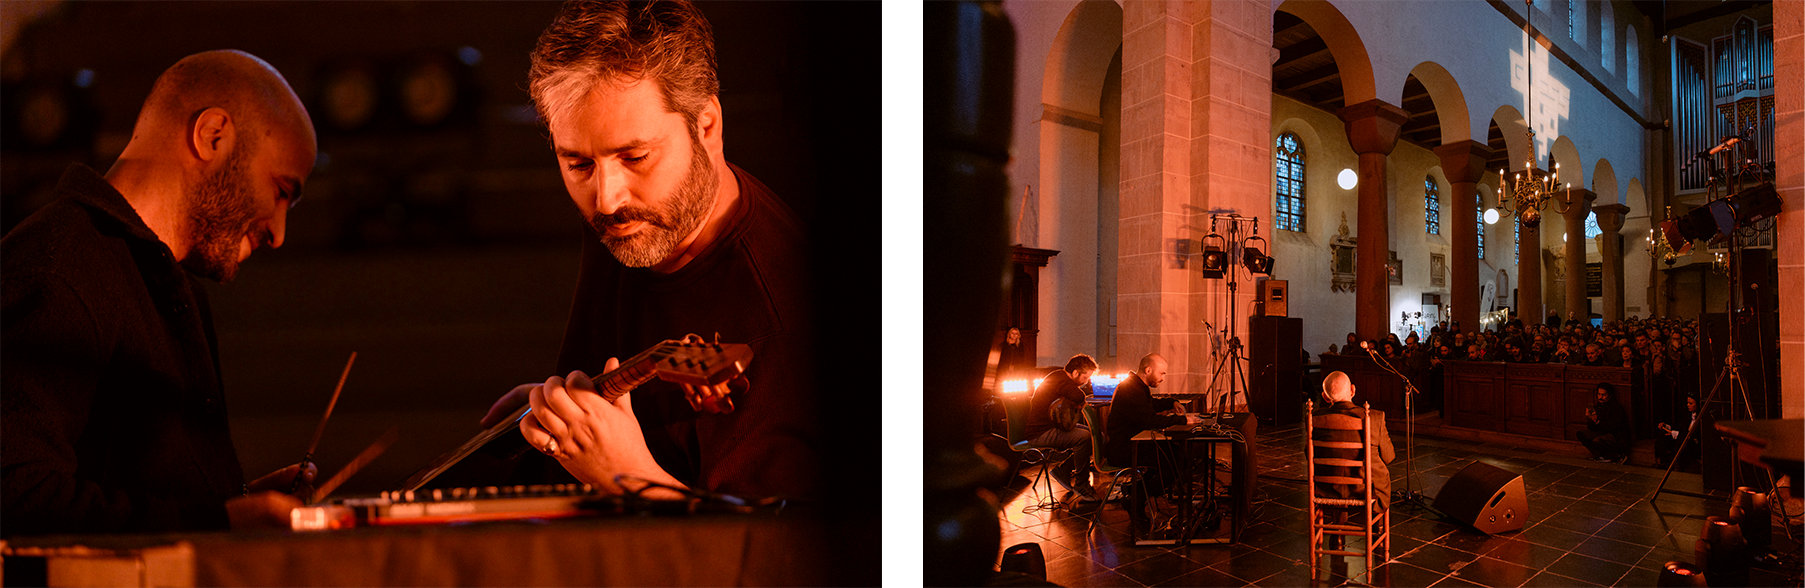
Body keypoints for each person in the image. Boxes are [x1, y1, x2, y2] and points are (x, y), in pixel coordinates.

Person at [479, 0, 820, 501]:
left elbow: (763, 564)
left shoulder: (778, 319)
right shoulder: (637, 219)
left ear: (706, 126)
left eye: (634, 156)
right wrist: (568, 409)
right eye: (577, 164)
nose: (606, 198)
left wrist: (628, 478)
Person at [0, 50, 317, 535]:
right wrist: (219, 520)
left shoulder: (172, 282)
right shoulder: (55, 267)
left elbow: (119, 484)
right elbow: (14, 496)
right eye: (280, 190)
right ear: (213, 136)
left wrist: (237, 502)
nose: (279, 233)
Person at [1104, 354, 1201, 499]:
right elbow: (1150, 420)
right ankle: (1136, 500)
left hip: (1132, 445)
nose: (1163, 378)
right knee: (1176, 461)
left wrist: (1171, 403)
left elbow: (1150, 405)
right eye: (1161, 373)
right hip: (1125, 450)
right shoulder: (1130, 389)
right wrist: (1183, 421)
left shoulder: (1135, 385)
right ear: (1148, 370)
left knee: (1176, 454)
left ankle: (1135, 493)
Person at [1311, 371, 1396, 511]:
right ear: (1353, 390)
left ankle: (1337, 529)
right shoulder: (1375, 417)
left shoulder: (1315, 418)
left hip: (1328, 489)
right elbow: (1388, 457)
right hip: (1367, 491)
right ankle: (1377, 528)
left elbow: (1310, 456)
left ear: (1325, 396)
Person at [1578, 383, 1632, 463]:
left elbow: (1614, 427)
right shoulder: (1598, 406)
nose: (1600, 397)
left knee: (1598, 440)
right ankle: (1599, 455)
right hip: (1601, 432)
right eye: (1599, 394)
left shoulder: (1616, 407)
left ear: (1609, 395)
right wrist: (1591, 419)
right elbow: (1592, 428)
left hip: (1615, 435)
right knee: (1581, 434)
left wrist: (1598, 422)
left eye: (1603, 395)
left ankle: (1613, 456)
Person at [1655, 395, 1702, 471]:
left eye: (1691, 403)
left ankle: (1679, 464)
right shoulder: (1687, 415)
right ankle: (1660, 460)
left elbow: (1694, 434)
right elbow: (1678, 427)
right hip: (1681, 438)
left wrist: (1675, 434)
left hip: (1693, 443)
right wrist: (1666, 426)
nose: (1688, 405)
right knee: (1663, 435)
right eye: (1687, 403)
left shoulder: (1701, 418)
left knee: (1682, 438)